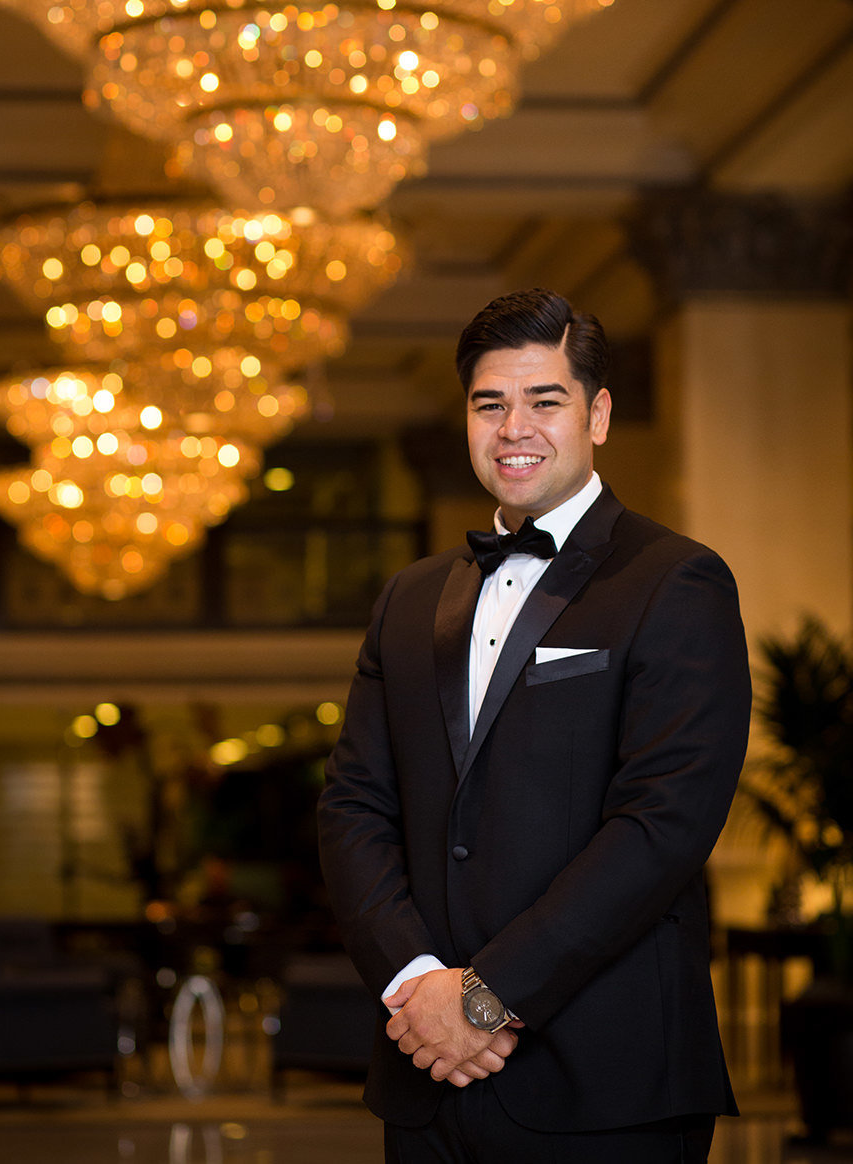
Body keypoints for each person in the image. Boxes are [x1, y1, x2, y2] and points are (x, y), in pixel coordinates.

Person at [318, 288, 751, 1163]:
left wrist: (484, 998)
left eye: (543, 400)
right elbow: (354, 806)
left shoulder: (677, 581)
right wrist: (418, 989)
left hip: (605, 1079)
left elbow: (661, 826)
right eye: (489, 403)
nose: (513, 426)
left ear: (596, 415)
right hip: (427, 1072)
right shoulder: (409, 598)